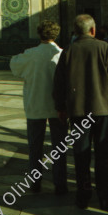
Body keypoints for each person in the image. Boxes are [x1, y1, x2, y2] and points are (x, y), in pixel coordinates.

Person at [53, 14, 108, 211]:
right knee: (104, 155)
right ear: (93, 30)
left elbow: (59, 83)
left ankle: (83, 195)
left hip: (79, 113)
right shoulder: (104, 48)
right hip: (104, 110)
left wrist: (61, 108)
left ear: (75, 31)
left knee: (81, 153)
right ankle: (105, 197)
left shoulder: (68, 51)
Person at [10, 21, 67, 195]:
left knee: (35, 147)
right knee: (59, 147)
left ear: (39, 34)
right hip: (58, 108)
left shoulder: (31, 54)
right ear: (56, 35)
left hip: (35, 106)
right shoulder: (61, 55)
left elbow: (14, 65)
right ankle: (60, 184)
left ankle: (35, 183)